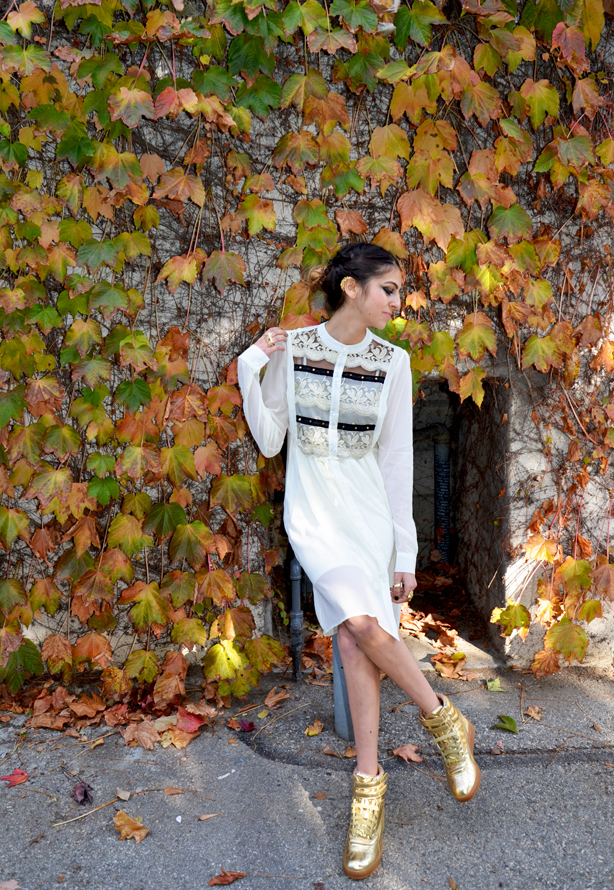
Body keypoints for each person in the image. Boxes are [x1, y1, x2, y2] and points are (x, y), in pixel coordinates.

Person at [237, 243, 481, 880]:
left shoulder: (394, 364)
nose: (398, 304)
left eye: (400, 292)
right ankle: (444, 720)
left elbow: (396, 464)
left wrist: (406, 552)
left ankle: (366, 791)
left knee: (352, 638)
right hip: (316, 519)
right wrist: (250, 365)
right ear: (351, 287)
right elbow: (270, 438)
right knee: (365, 627)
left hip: (368, 518)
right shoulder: (294, 350)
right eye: (390, 290)